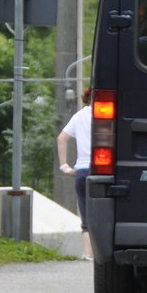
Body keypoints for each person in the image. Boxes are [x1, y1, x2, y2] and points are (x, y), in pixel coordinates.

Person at [57, 87, 94, 259]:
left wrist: (65, 166)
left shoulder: (79, 116)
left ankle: (88, 254)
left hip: (82, 170)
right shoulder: (111, 114)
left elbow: (62, 138)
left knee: (86, 217)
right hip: (104, 170)